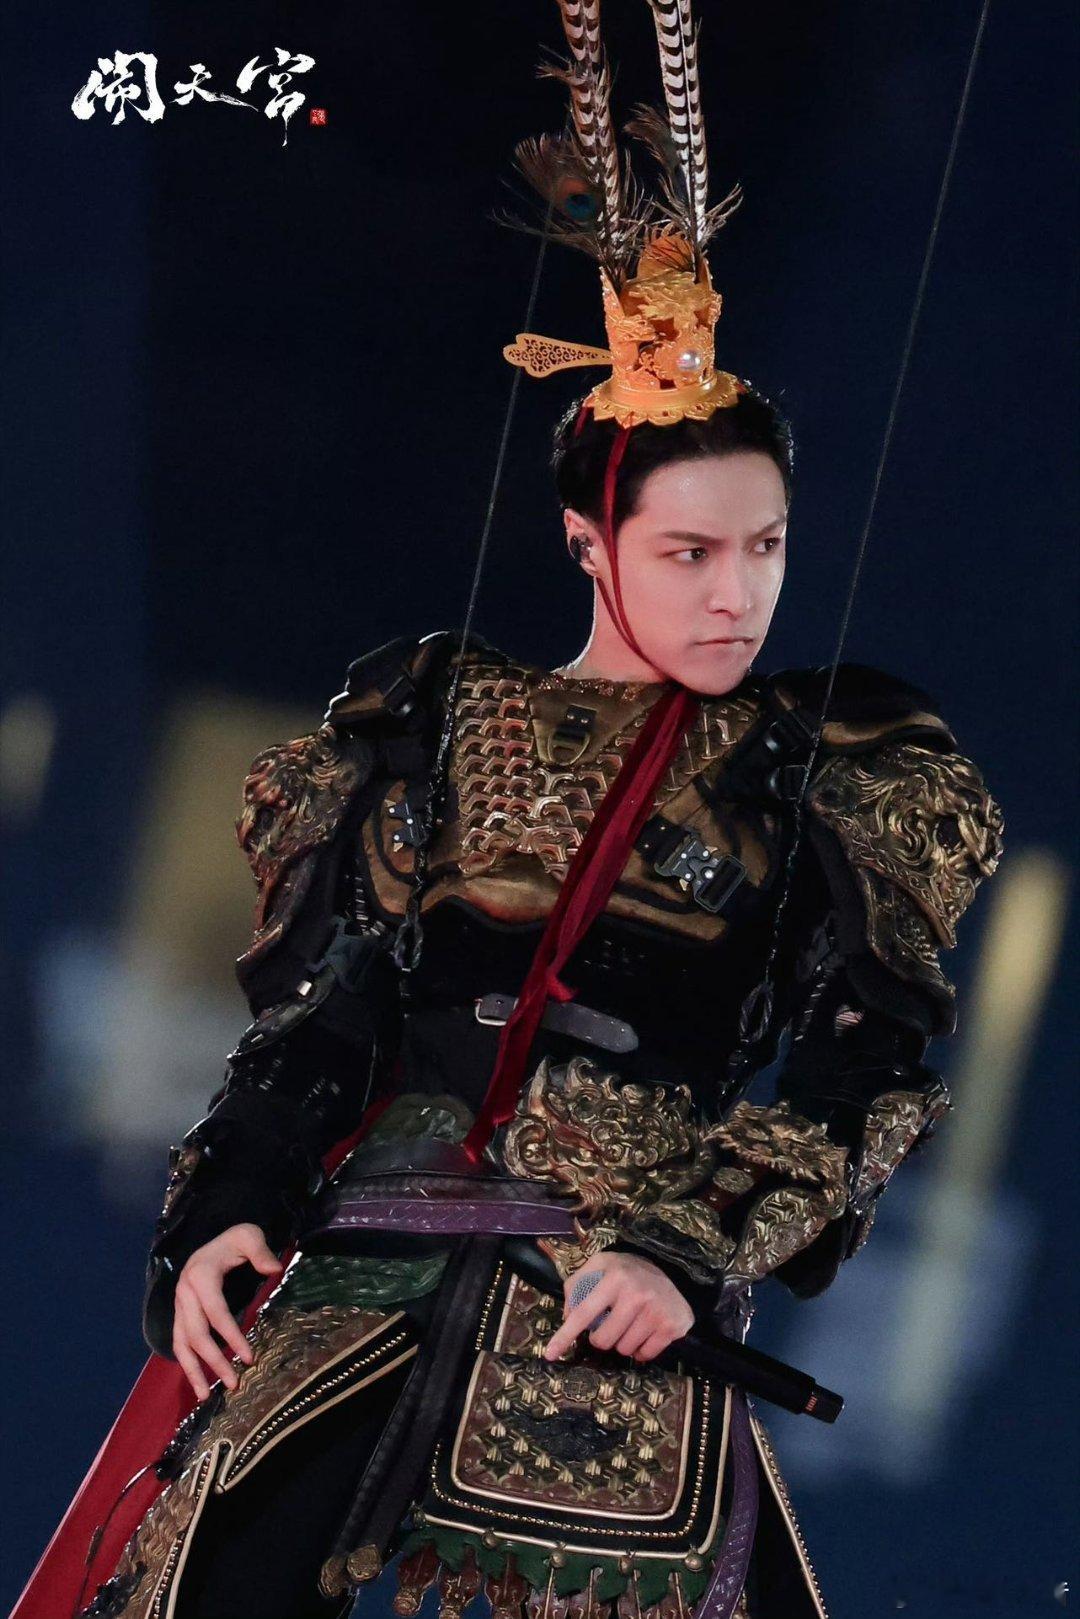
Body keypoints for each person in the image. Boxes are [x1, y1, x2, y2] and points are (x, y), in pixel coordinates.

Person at [12, 6, 1003, 1619]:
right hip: (365, 1270)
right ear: (587, 543)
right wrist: (231, 1206)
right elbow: (337, 1009)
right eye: (690, 553)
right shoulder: (430, 716)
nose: (737, 595)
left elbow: (866, 1058)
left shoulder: (830, 757)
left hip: (616, 1284)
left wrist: (685, 1252)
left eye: (765, 549)